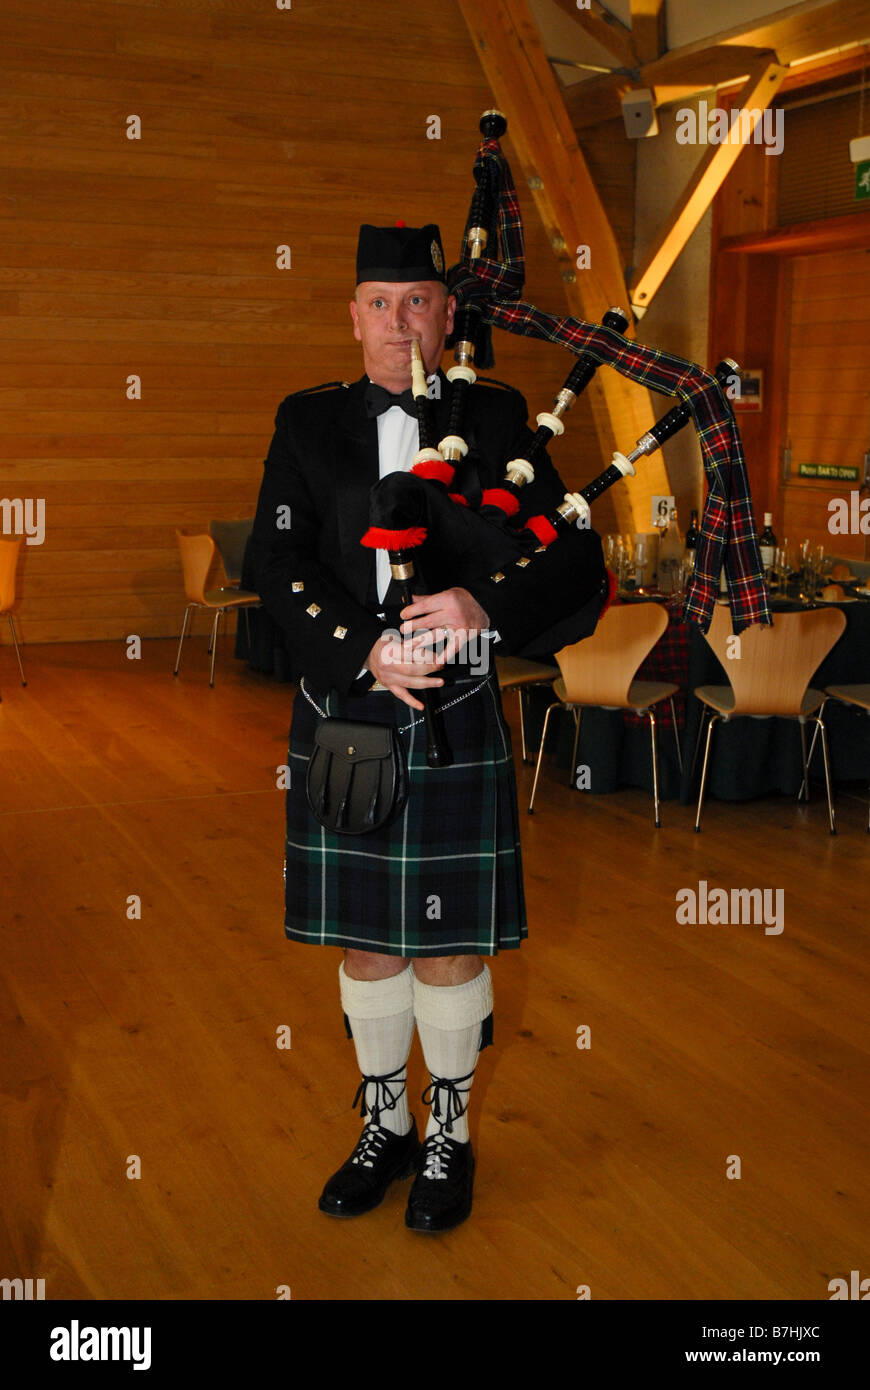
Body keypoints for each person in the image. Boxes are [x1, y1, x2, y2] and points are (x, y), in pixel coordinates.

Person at [251, 223, 605, 1232]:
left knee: (450, 945)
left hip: (455, 706)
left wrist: (484, 608)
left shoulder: (498, 417)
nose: (398, 321)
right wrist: (365, 649)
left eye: (419, 302)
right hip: (347, 706)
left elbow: (577, 558)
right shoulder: (307, 422)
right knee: (366, 944)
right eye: (379, 301)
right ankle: (387, 1123)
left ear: (449, 317)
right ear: (352, 314)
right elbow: (279, 565)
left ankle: (448, 1134)